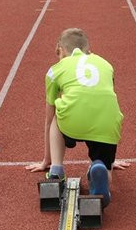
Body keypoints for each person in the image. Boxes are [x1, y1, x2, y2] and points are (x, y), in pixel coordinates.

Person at [26, 28, 126, 208]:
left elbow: (49, 119)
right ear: (89, 49)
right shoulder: (106, 64)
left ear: (61, 50)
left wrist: (46, 160)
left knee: (57, 115)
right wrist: (111, 158)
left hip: (71, 123)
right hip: (107, 124)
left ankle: (56, 170)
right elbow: (106, 98)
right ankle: (100, 169)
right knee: (104, 163)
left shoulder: (54, 71)